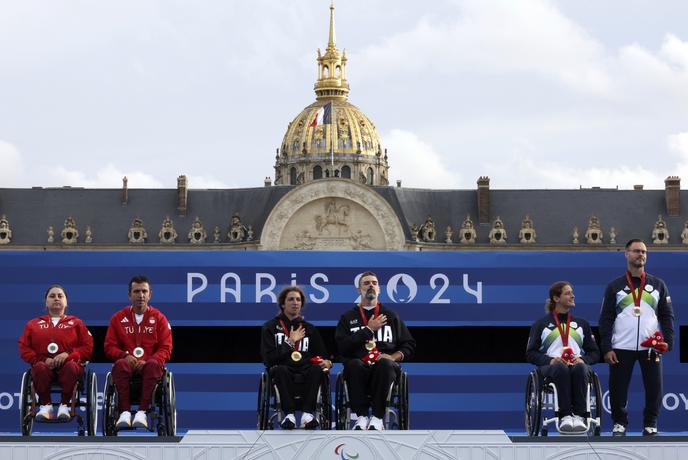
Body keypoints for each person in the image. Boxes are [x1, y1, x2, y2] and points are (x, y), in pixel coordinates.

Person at [599, 239, 674, 436]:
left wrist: (669, 341)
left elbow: (667, 316)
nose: (641, 255)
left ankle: (651, 423)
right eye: (636, 251)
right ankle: (619, 423)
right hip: (621, 346)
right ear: (626, 254)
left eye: (644, 252)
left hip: (651, 346)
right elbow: (605, 319)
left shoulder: (658, 285)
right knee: (618, 388)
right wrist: (606, 347)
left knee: (654, 388)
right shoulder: (615, 286)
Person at [335, 271, 416, 430]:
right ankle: (362, 417)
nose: (370, 285)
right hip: (358, 366)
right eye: (366, 283)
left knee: (385, 364)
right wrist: (368, 330)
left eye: (374, 283)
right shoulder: (348, 317)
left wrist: (393, 357)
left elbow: (409, 344)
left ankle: (378, 417)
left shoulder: (390, 315)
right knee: (354, 365)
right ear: (359, 290)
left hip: (384, 367)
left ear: (379, 289)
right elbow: (341, 346)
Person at [526, 281, 599, 432]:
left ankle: (579, 416)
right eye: (567, 293)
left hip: (577, 366)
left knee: (580, 368)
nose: (572, 296)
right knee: (561, 368)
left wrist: (583, 359)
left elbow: (595, 353)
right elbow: (530, 353)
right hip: (552, 369)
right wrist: (550, 360)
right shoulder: (541, 324)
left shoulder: (582, 324)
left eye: (572, 292)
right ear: (556, 298)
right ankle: (564, 416)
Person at [104, 275, 172, 430]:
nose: (140, 295)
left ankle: (141, 412)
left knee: (155, 365)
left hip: (149, 367)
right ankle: (125, 413)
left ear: (150, 294)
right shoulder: (118, 318)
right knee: (120, 365)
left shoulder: (160, 319)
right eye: (136, 291)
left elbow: (166, 348)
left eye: (144, 291)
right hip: (127, 365)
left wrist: (150, 360)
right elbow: (109, 347)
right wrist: (124, 356)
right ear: (129, 295)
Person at [18, 285, 94, 422]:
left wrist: (68, 355)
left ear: (66, 302)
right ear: (46, 302)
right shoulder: (33, 324)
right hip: (43, 366)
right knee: (39, 367)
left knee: (70, 367)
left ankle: (64, 405)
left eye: (60, 296)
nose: (56, 299)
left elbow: (88, 347)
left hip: (70, 366)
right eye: (52, 296)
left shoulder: (76, 323)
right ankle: (45, 406)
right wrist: (42, 359)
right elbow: (24, 347)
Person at [260, 286, 332, 429]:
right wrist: (290, 342)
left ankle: (307, 414)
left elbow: (323, 356)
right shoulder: (270, 327)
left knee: (317, 369)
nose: (295, 302)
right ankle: (289, 415)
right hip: (283, 369)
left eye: (298, 299)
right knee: (281, 370)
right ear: (282, 304)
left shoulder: (310, 328)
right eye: (291, 299)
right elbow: (268, 359)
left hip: (306, 369)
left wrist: (328, 362)